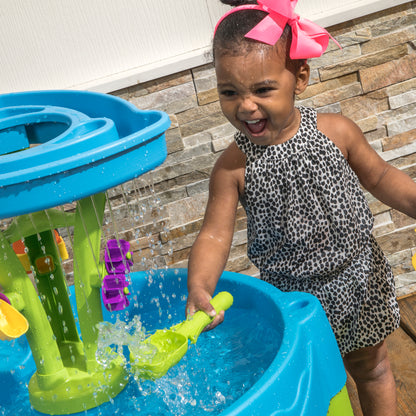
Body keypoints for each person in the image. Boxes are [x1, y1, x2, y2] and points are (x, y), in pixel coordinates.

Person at [185, 0, 416, 415]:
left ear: (300, 78)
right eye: (229, 92)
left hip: (357, 278)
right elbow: (215, 234)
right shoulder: (232, 168)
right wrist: (200, 286)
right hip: (295, 301)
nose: (246, 106)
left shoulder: (336, 131)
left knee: (374, 369)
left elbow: (381, 177)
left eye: (262, 90)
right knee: (320, 385)